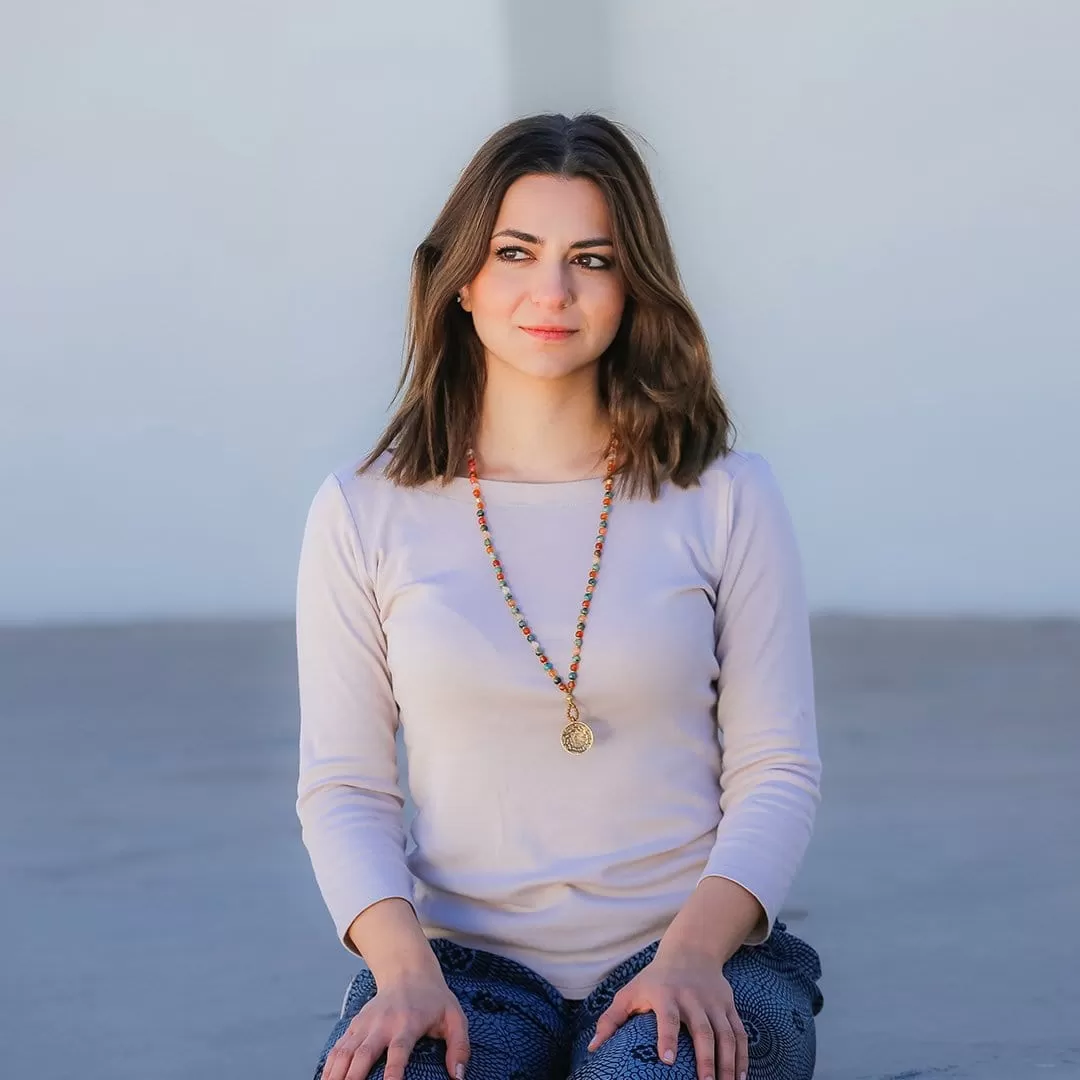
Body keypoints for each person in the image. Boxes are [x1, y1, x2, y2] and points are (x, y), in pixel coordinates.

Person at [296, 113, 824, 1080]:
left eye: (592, 257)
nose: (552, 290)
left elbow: (778, 769)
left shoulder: (726, 496)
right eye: (515, 252)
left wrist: (696, 955)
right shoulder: (363, 509)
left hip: (690, 948)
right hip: (456, 967)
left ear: (634, 288)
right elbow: (346, 787)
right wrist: (401, 973)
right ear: (462, 280)